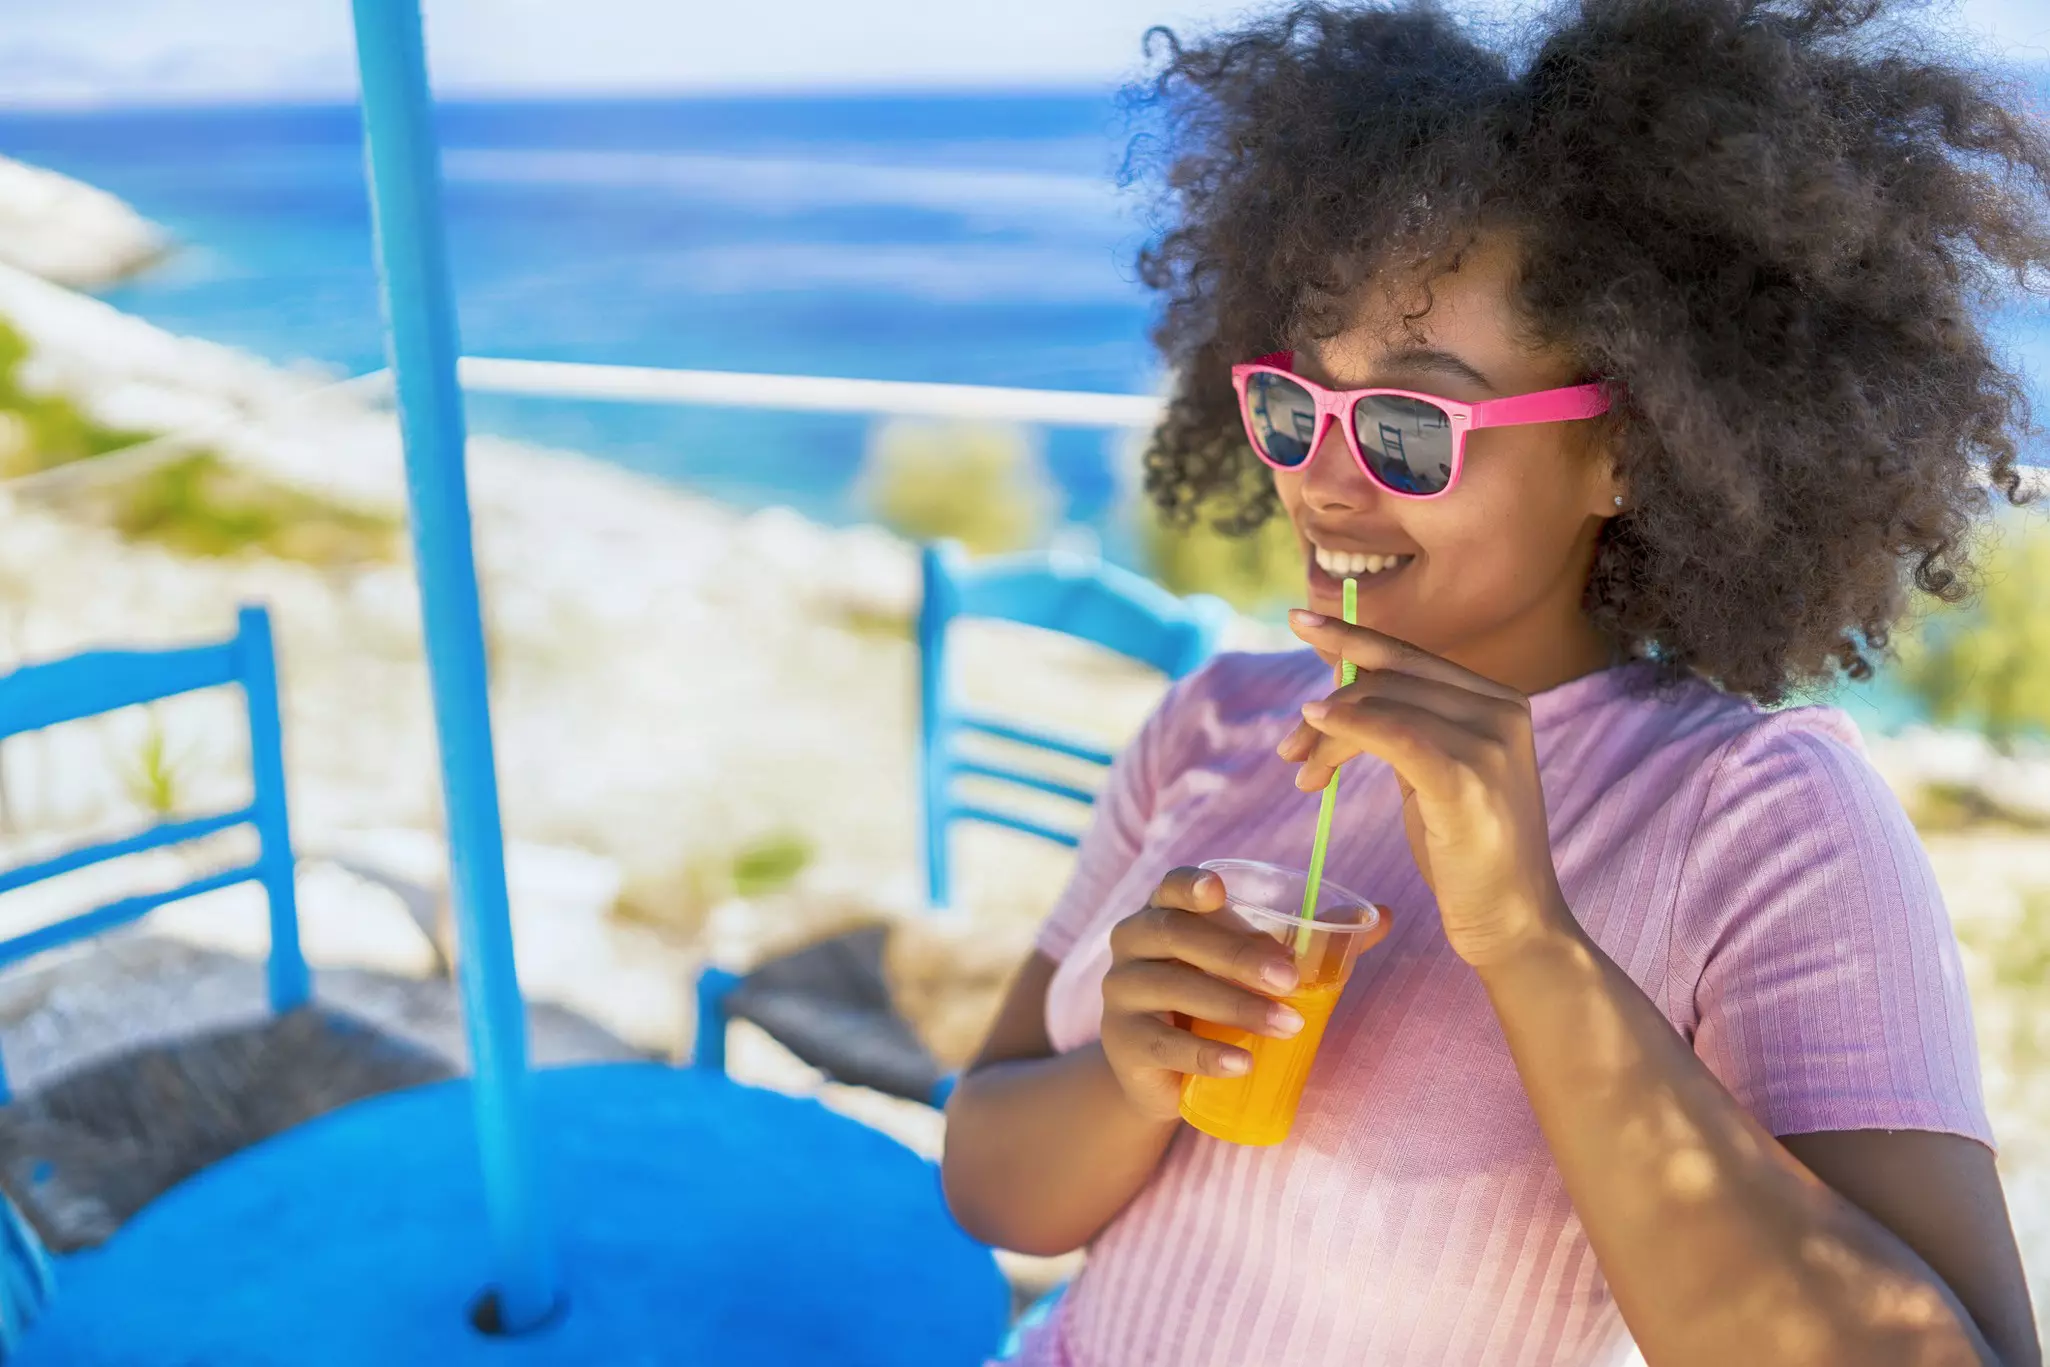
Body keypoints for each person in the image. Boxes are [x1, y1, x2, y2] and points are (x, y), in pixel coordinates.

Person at [938, 2, 2050, 1363]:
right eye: (1298, 403)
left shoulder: (1755, 818)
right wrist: (1127, 1073)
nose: (1321, 476)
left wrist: (1528, 938)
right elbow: (990, 1188)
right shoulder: (1214, 722)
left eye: (1410, 423)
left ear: (1631, 448)